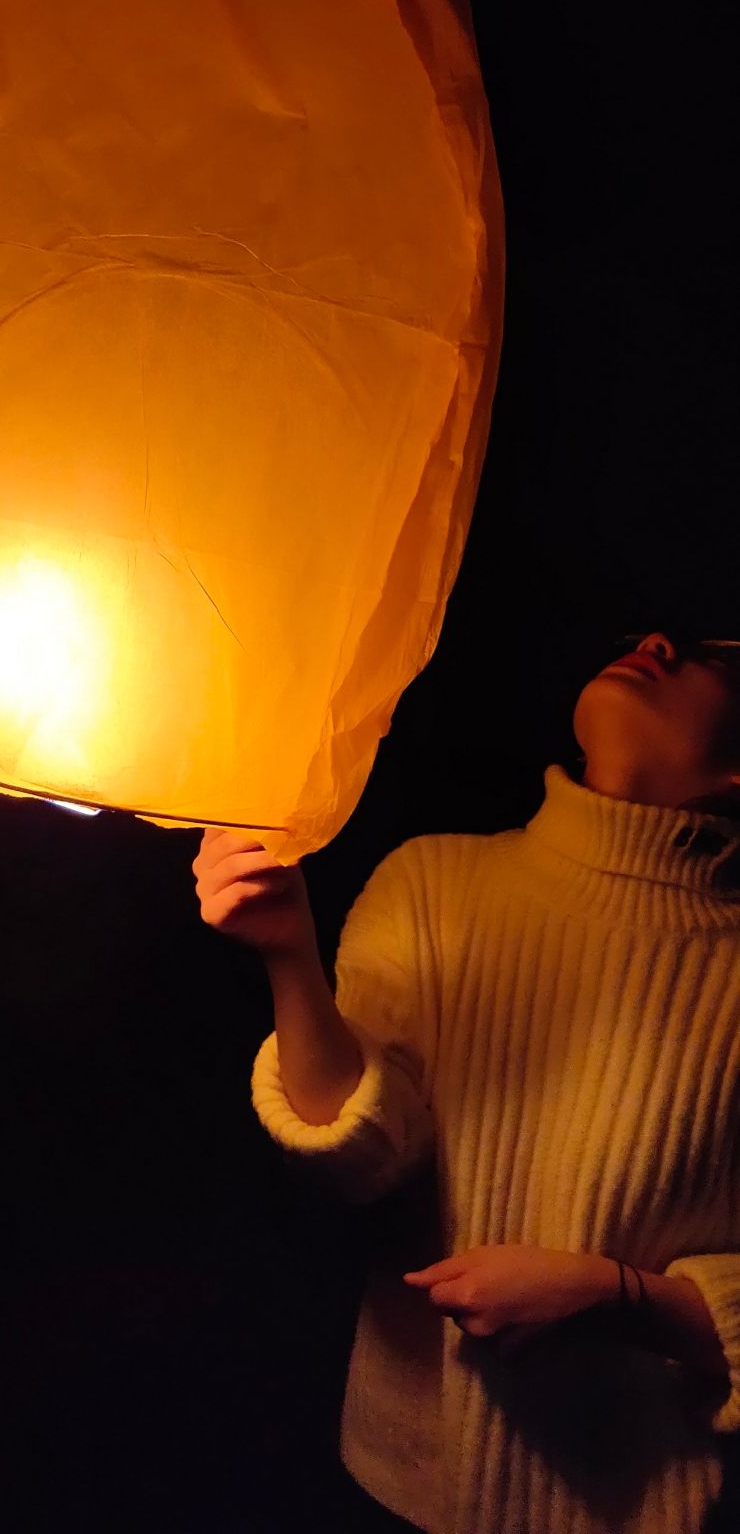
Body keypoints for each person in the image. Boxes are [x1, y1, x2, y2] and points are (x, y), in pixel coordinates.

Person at [192, 632, 740, 1534]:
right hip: (397, 1489)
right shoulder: (437, 883)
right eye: (657, 636)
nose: (658, 643)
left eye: (720, 658)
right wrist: (288, 954)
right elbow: (363, 1165)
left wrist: (623, 1299)